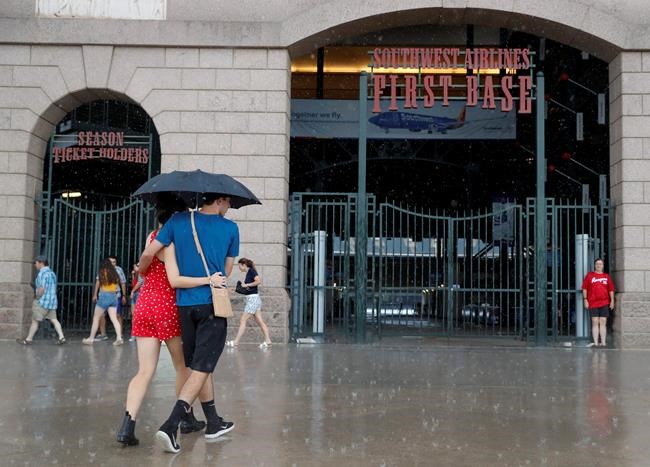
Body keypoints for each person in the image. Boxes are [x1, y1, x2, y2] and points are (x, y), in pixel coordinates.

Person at [138, 193, 238, 453]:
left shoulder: (178, 221)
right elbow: (226, 271)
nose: (229, 208)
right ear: (221, 199)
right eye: (229, 203)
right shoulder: (230, 228)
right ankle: (172, 424)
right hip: (211, 304)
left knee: (196, 364)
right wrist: (210, 275)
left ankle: (213, 422)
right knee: (203, 367)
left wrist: (141, 271)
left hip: (184, 305)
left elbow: (149, 252)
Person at [117, 205, 217, 446]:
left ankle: (127, 426)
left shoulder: (151, 237)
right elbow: (174, 280)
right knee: (182, 367)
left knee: (144, 371)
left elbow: (143, 265)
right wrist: (207, 279)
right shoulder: (172, 242)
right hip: (168, 307)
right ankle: (185, 418)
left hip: (144, 305)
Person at [16, 255, 66, 345]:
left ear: (41, 263)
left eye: (36, 263)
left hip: (42, 301)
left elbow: (42, 288)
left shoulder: (42, 273)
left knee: (35, 321)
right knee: (54, 319)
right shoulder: (52, 273)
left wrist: (37, 296)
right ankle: (62, 337)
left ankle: (28, 340)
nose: (35, 265)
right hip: (51, 301)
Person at [226, 258, 272, 348]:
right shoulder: (249, 272)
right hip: (254, 299)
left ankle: (236, 342)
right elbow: (249, 289)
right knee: (260, 321)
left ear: (244, 265)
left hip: (253, 300)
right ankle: (268, 340)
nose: (239, 268)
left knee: (243, 320)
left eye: (239, 265)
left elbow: (258, 281)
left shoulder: (251, 271)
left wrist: (246, 285)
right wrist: (236, 289)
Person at [83, 258, 124, 346]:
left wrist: (95, 294)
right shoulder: (115, 273)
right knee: (114, 319)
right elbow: (118, 284)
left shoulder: (102, 272)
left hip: (104, 295)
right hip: (114, 296)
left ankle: (91, 338)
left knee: (96, 318)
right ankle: (119, 337)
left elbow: (99, 283)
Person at [582, 258, 615, 347]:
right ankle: (596, 343)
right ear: (595, 265)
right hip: (593, 302)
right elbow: (584, 288)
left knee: (603, 321)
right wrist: (585, 299)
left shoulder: (606, 276)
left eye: (600, 264)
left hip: (604, 302)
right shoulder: (590, 276)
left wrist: (612, 301)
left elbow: (611, 290)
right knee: (595, 321)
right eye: (597, 264)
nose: (599, 265)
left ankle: (603, 342)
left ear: (603, 266)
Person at [95, 256, 127, 341]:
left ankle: (120, 334)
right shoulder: (103, 270)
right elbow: (98, 282)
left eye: (114, 262)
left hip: (116, 296)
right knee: (101, 315)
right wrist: (95, 294)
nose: (112, 264)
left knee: (118, 315)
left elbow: (123, 283)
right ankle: (103, 334)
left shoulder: (119, 270)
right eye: (111, 262)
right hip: (103, 295)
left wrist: (124, 295)